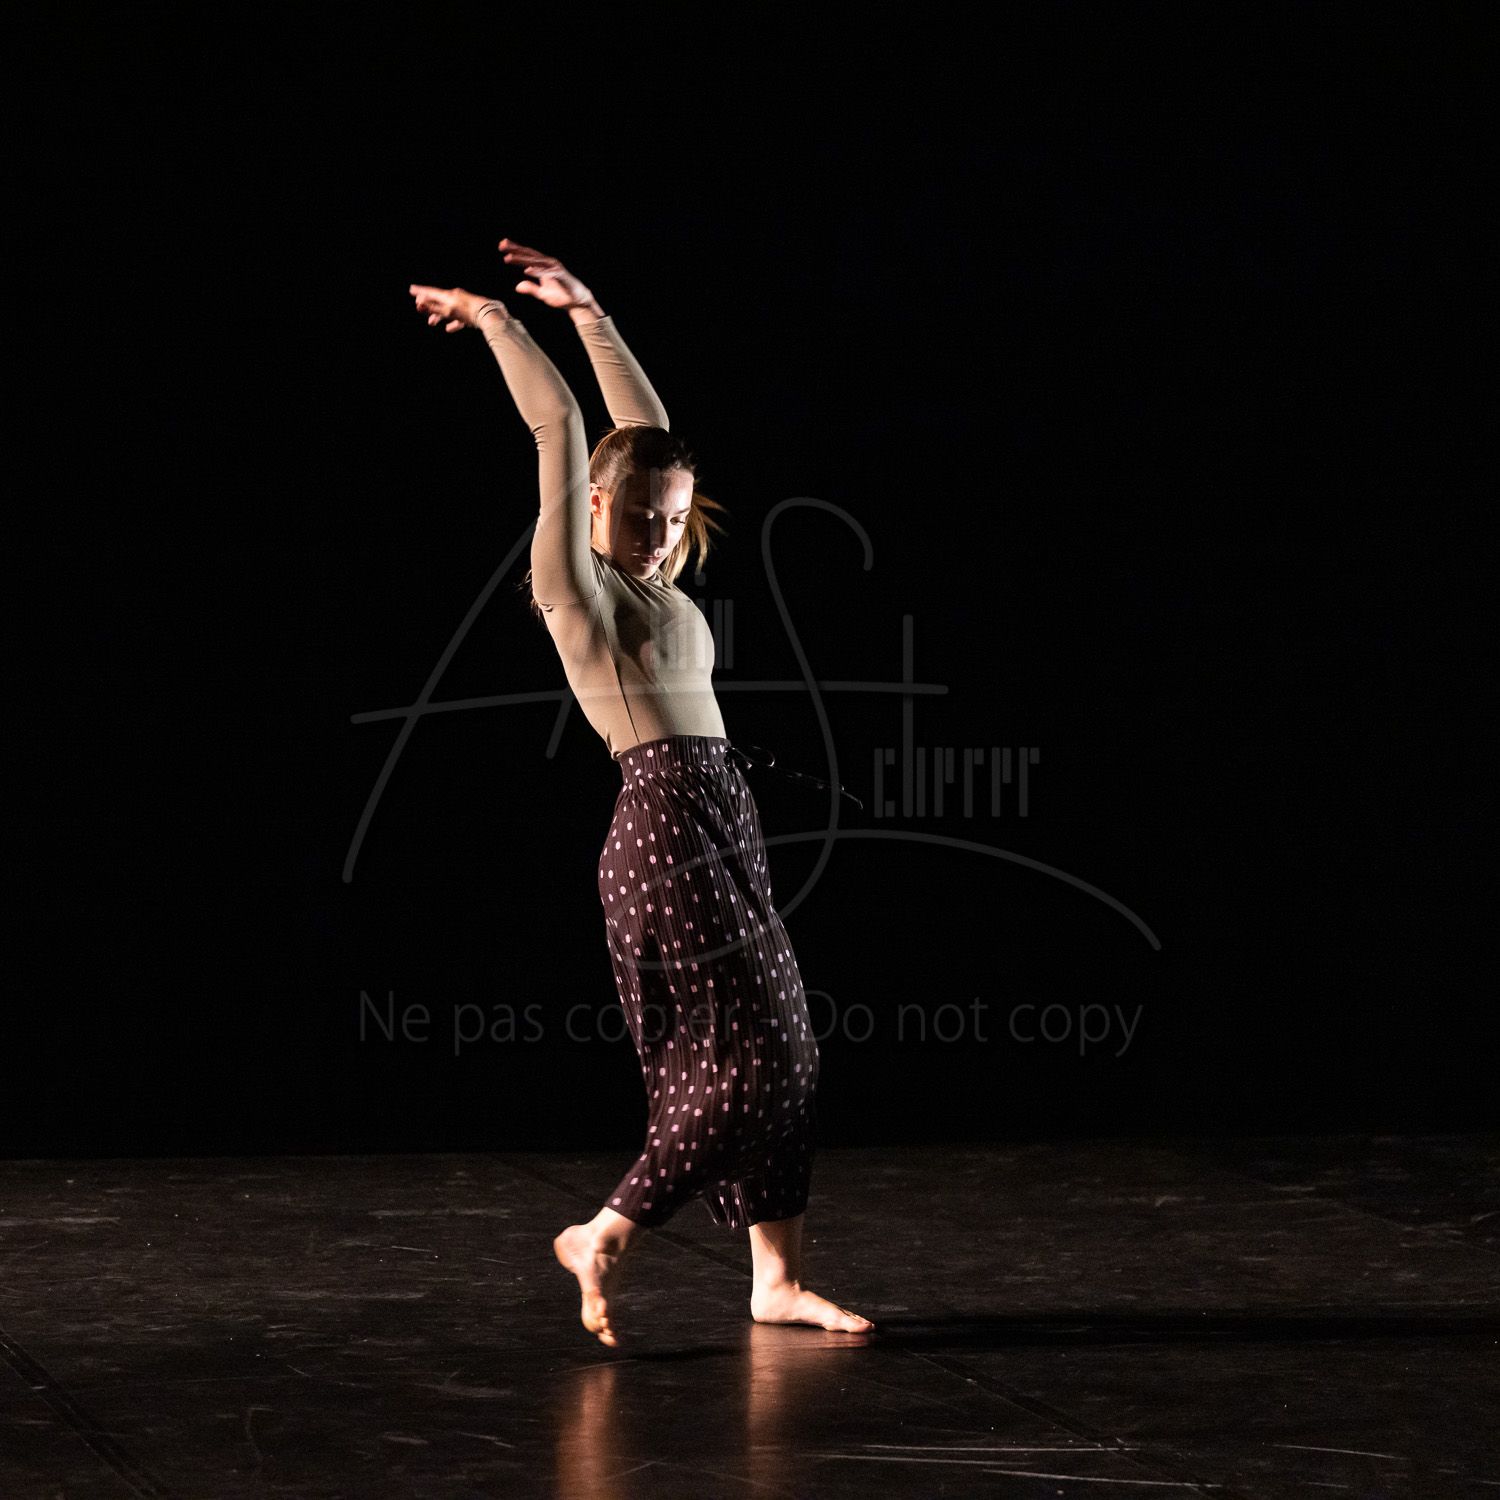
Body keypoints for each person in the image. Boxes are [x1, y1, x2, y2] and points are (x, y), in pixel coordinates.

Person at [409, 239, 873, 1347]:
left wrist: (592, 312)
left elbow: (645, 436)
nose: (659, 536)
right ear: (593, 507)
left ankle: (774, 1281)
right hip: (663, 826)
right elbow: (565, 431)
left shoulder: (656, 567)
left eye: (673, 517)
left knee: (787, 1049)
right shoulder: (577, 588)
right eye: (637, 516)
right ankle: (605, 1231)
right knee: (754, 1061)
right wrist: (497, 320)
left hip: (719, 816)